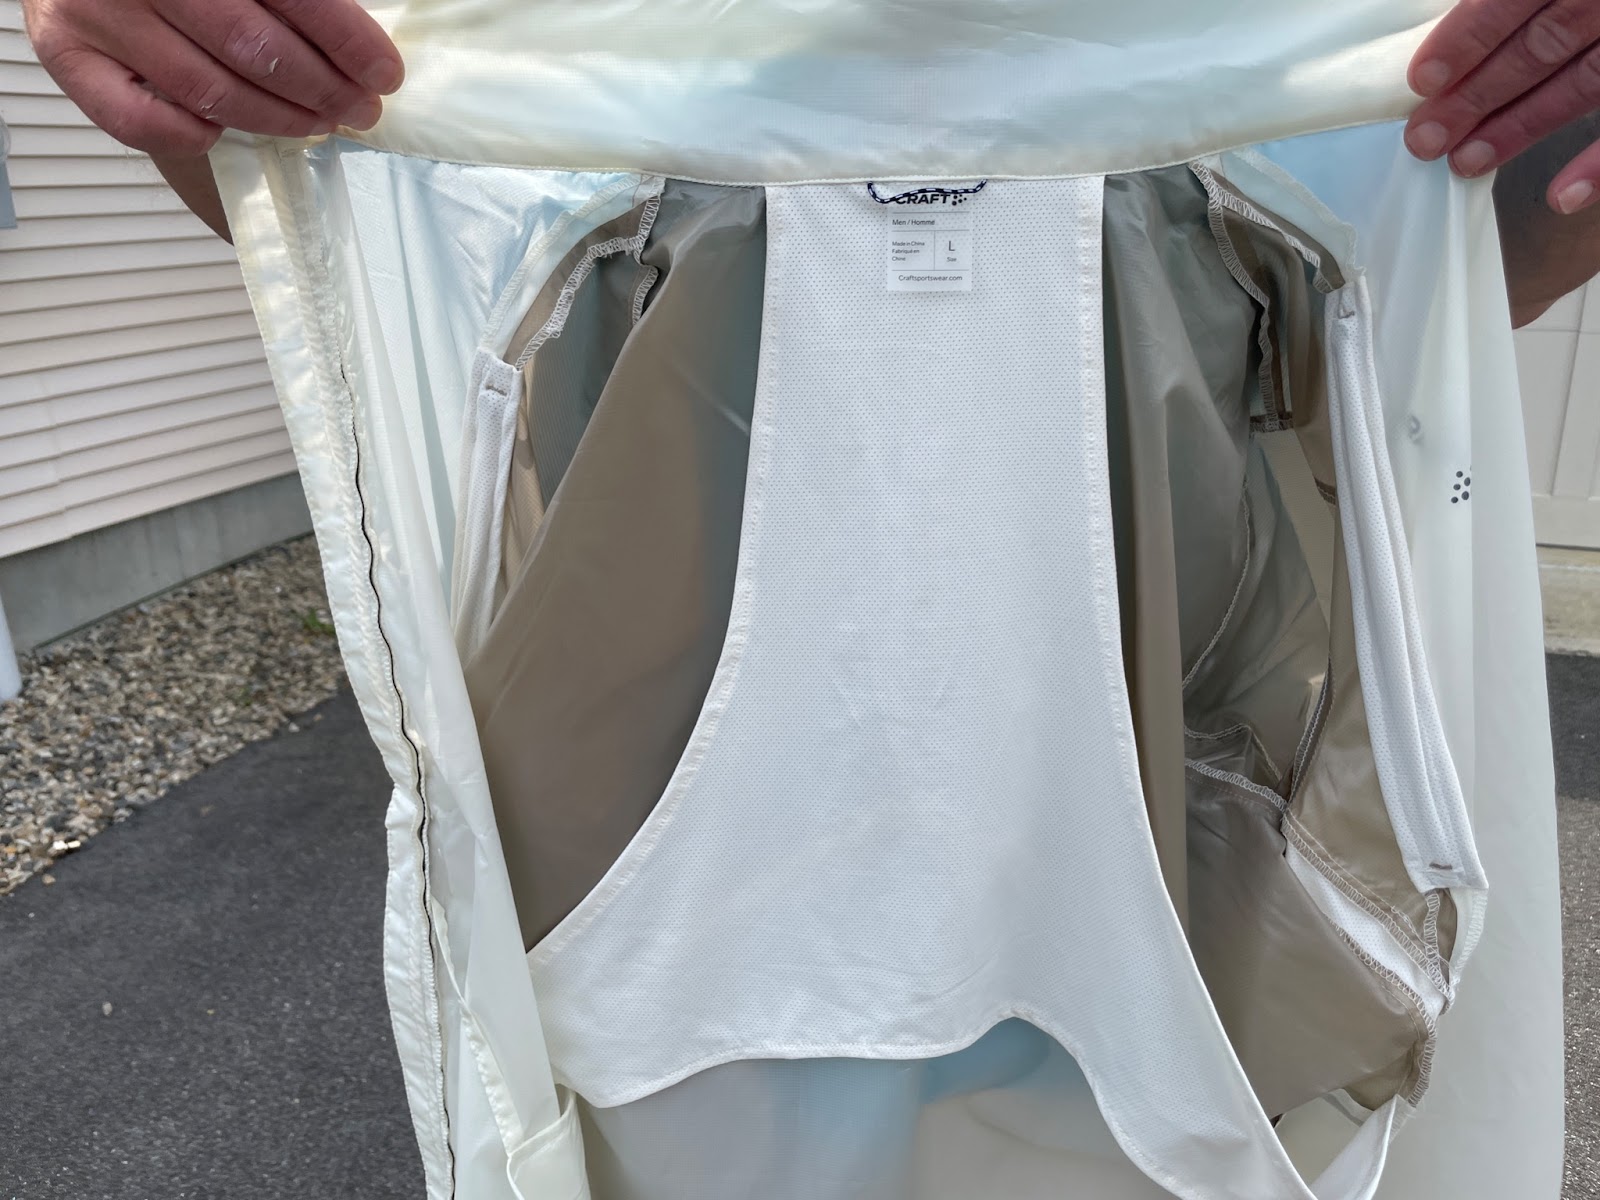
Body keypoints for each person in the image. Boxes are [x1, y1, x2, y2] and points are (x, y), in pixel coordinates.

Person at [17, 0, 1600, 328]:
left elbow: (1470, 275)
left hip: (1249, 738)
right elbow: (354, 225)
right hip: (633, 755)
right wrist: (188, 61)